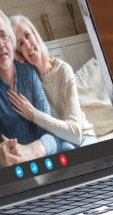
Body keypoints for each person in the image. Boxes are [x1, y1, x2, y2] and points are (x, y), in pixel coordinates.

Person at [0, 4, 61, 175]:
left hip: (40, 155)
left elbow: (51, 129)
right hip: (11, 163)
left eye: (4, 35)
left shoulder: (27, 66)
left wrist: (31, 150)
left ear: (10, 38)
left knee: (66, 146)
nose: (0, 44)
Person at [8, 12, 97, 147]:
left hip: (83, 135)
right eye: (20, 44)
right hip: (59, 141)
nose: (27, 45)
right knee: (66, 149)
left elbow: (76, 133)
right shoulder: (29, 79)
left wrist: (33, 114)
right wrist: (11, 56)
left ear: (35, 35)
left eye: (27, 36)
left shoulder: (63, 70)